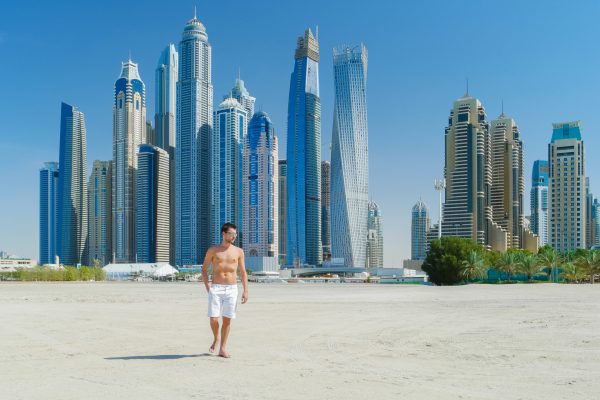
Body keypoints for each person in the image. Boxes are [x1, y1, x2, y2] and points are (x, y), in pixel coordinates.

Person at [201, 222, 248, 358]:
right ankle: (216, 338)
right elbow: (203, 270)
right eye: (231, 234)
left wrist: (246, 291)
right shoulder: (213, 250)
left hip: (232, 288)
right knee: (213, 319)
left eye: (235, 234)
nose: (234, 236)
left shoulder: (239, 251)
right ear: (223, 233)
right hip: (216, 287)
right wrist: (208, 286)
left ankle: (222, 348)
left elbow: (243, 272)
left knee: (227, 320)